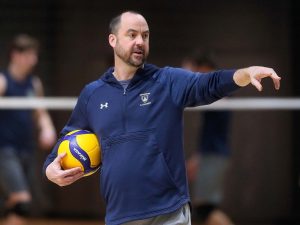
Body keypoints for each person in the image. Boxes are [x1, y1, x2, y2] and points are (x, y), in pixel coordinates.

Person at [43, 11, 281, 225]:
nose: (140, 42)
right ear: (112, 40)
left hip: (169, 213)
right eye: (132, 34)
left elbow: (210, 83)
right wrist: (49, 170)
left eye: (145, 36)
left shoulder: (167, 81)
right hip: (119, 215)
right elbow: (65, 142)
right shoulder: (92, 95)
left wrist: (245, 74)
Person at [0, 34, 57, 225]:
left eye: (35, 55)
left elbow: (40, 112)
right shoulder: (3, 81)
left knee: (16, 205)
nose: (34, 60)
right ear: (16, 55)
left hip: (26, 149)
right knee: (22, 202)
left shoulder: (34, 83)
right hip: (5, 150)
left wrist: (47, 128)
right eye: (29, 55)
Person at [183, 53, 234, 225]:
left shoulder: (218, 89)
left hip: (215, 154)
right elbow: (209, 131)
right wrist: (198, 158)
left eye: (193, 71)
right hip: (210, 153)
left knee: (206, 210)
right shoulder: (213, 90)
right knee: (205, 209)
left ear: (203, 69)